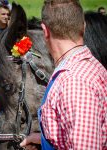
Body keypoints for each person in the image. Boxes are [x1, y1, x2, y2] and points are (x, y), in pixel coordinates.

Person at [20, 0, 107, 149]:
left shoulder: (75, 82)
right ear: (84, 27)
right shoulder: (85, 66)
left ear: (45, 31)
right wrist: (43, 139)